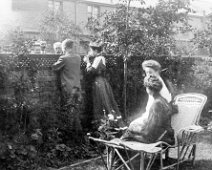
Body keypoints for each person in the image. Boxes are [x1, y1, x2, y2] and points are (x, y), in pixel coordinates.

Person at [83, 40, 125, 129]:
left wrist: (87, 62)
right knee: (101, 101)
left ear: (95, 51)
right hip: (99, 82)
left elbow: (91, 71)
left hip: (100, 82)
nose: (90, 52)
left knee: (103, 101)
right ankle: (104, 125)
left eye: (91, 50)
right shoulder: (98, 58)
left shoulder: (99, 58)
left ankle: (108, 125)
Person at [121, 75, 174, 144]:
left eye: (146, 87)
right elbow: (158, 123)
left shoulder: (156, 104)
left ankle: (120, 152)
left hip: (159, 139)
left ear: (149, 89)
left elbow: (149, 131)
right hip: (167, 136)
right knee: (133, 128)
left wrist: (134, 129)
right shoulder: (163, 101)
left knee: (129, 132)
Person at [52, 39, 81, 106]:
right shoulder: (78, 57)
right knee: (76, 107)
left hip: (67, 87)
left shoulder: (64, 58)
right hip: (77, 86)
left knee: (67, 107)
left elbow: (54, 67)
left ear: (64, 48)